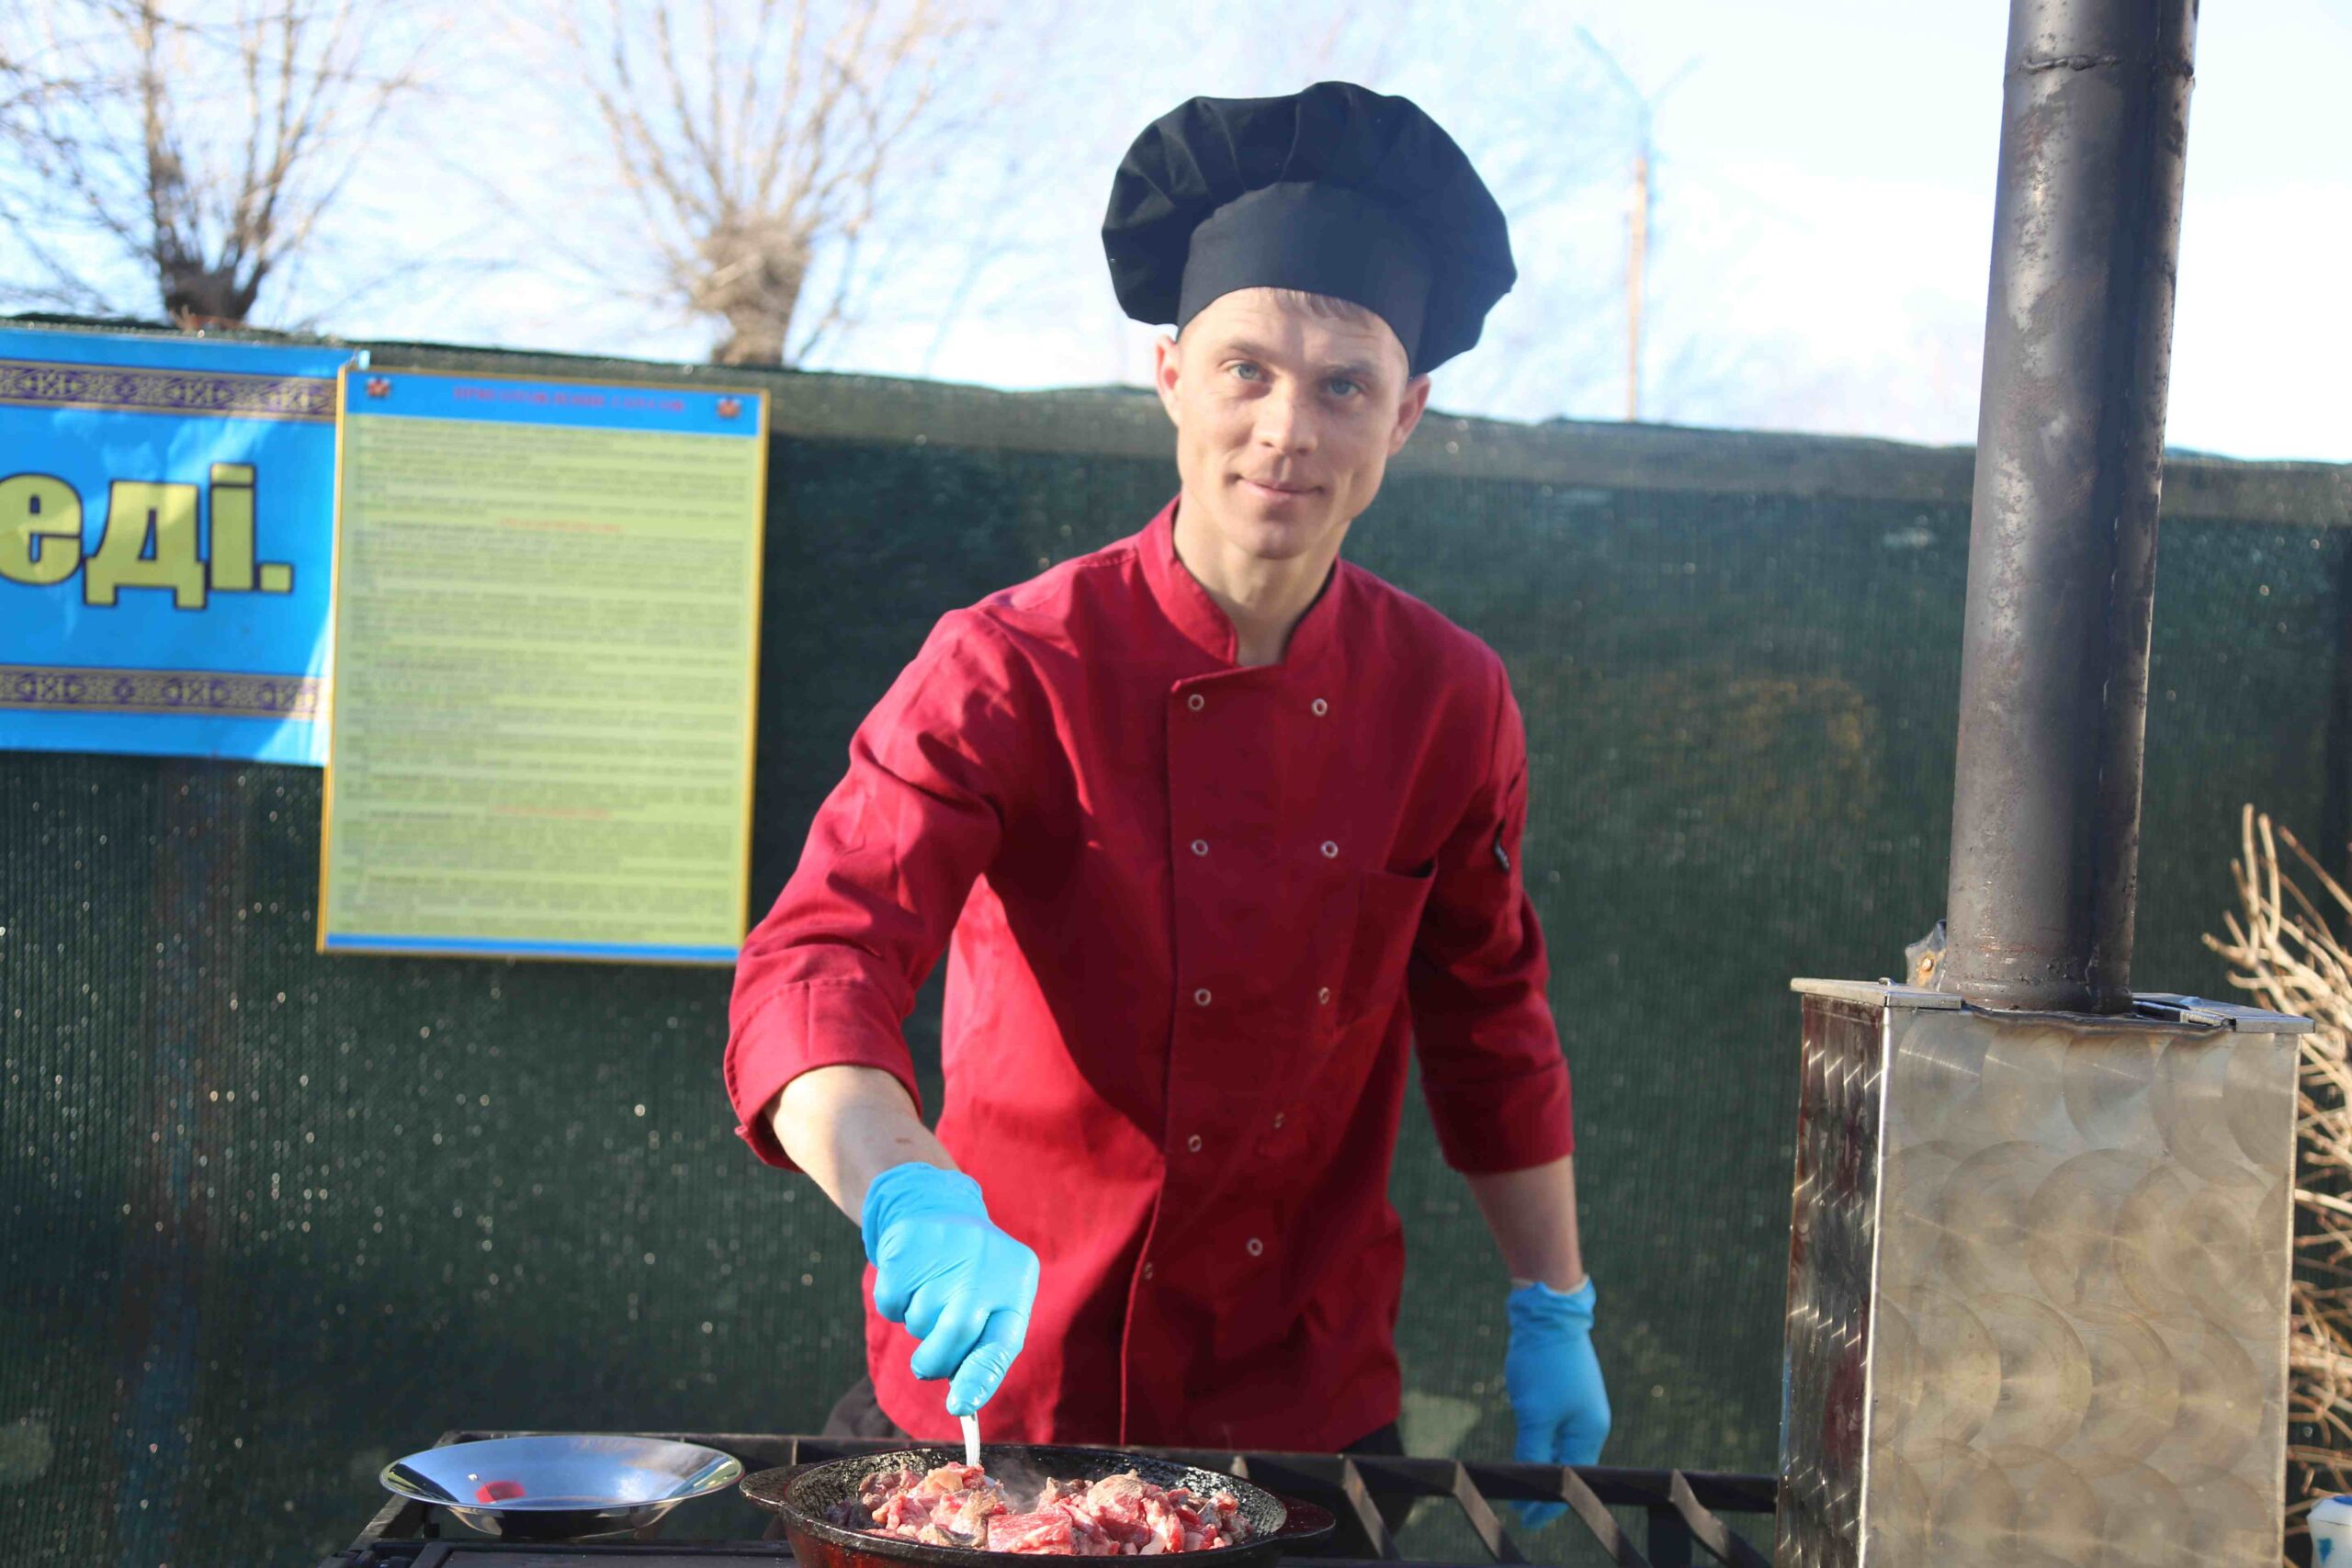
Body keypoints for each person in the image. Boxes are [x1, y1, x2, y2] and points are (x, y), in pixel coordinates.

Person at [723, 81, 1609, 1517]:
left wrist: (1552, 1304)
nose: (1287, 430)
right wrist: (907, 1195)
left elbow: (1491, 1025)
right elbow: (817, 960)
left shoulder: (1450, 699)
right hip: (993, 1402)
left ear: (1410, 416)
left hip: (1305, 1416)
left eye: (1345, 387)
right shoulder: (1010, 665)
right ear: (1172, 374)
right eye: (1247, 369)